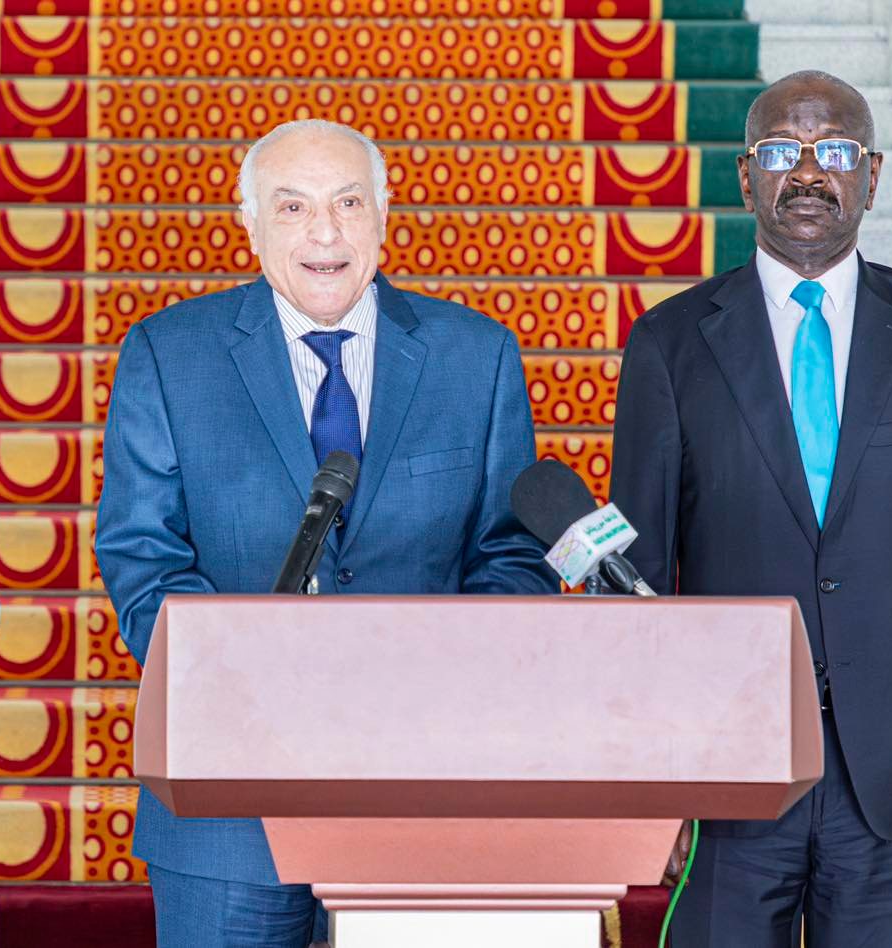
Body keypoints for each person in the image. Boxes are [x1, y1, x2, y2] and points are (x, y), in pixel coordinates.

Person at [94, 119, 560, 947]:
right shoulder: (171, 354)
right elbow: (142, 555)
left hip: (424, 793)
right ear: (249, 224)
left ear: (383, 215)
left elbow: (511, 552)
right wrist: (256, 683)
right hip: (229, 802)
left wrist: (435, 676)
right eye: (293, 206)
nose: (324, 233)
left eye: (348, 203)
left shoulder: (475, 355)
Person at [610, 71, 892, 945]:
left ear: (872, 174)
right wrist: (651, 779)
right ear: (744, 176)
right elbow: (634, 583)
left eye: (833, 150)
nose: (807, 172)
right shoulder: (669, 341)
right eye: (779, 152)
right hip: (726, 772)